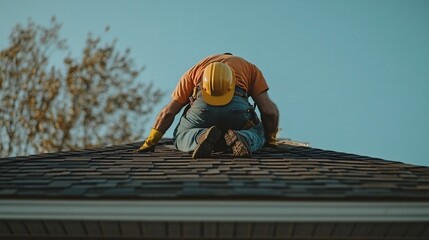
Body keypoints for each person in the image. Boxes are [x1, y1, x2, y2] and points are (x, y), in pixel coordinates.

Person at [136, 53, 279, 158]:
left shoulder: (194, 71)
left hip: (202, 107)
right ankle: (244, 138)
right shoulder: (249, 68)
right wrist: (270, 139)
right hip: (237, 107)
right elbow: (269, 111)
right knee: (259, 132)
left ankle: (200, 136)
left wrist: (150, 141)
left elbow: (168, 112)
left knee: (180, 135)